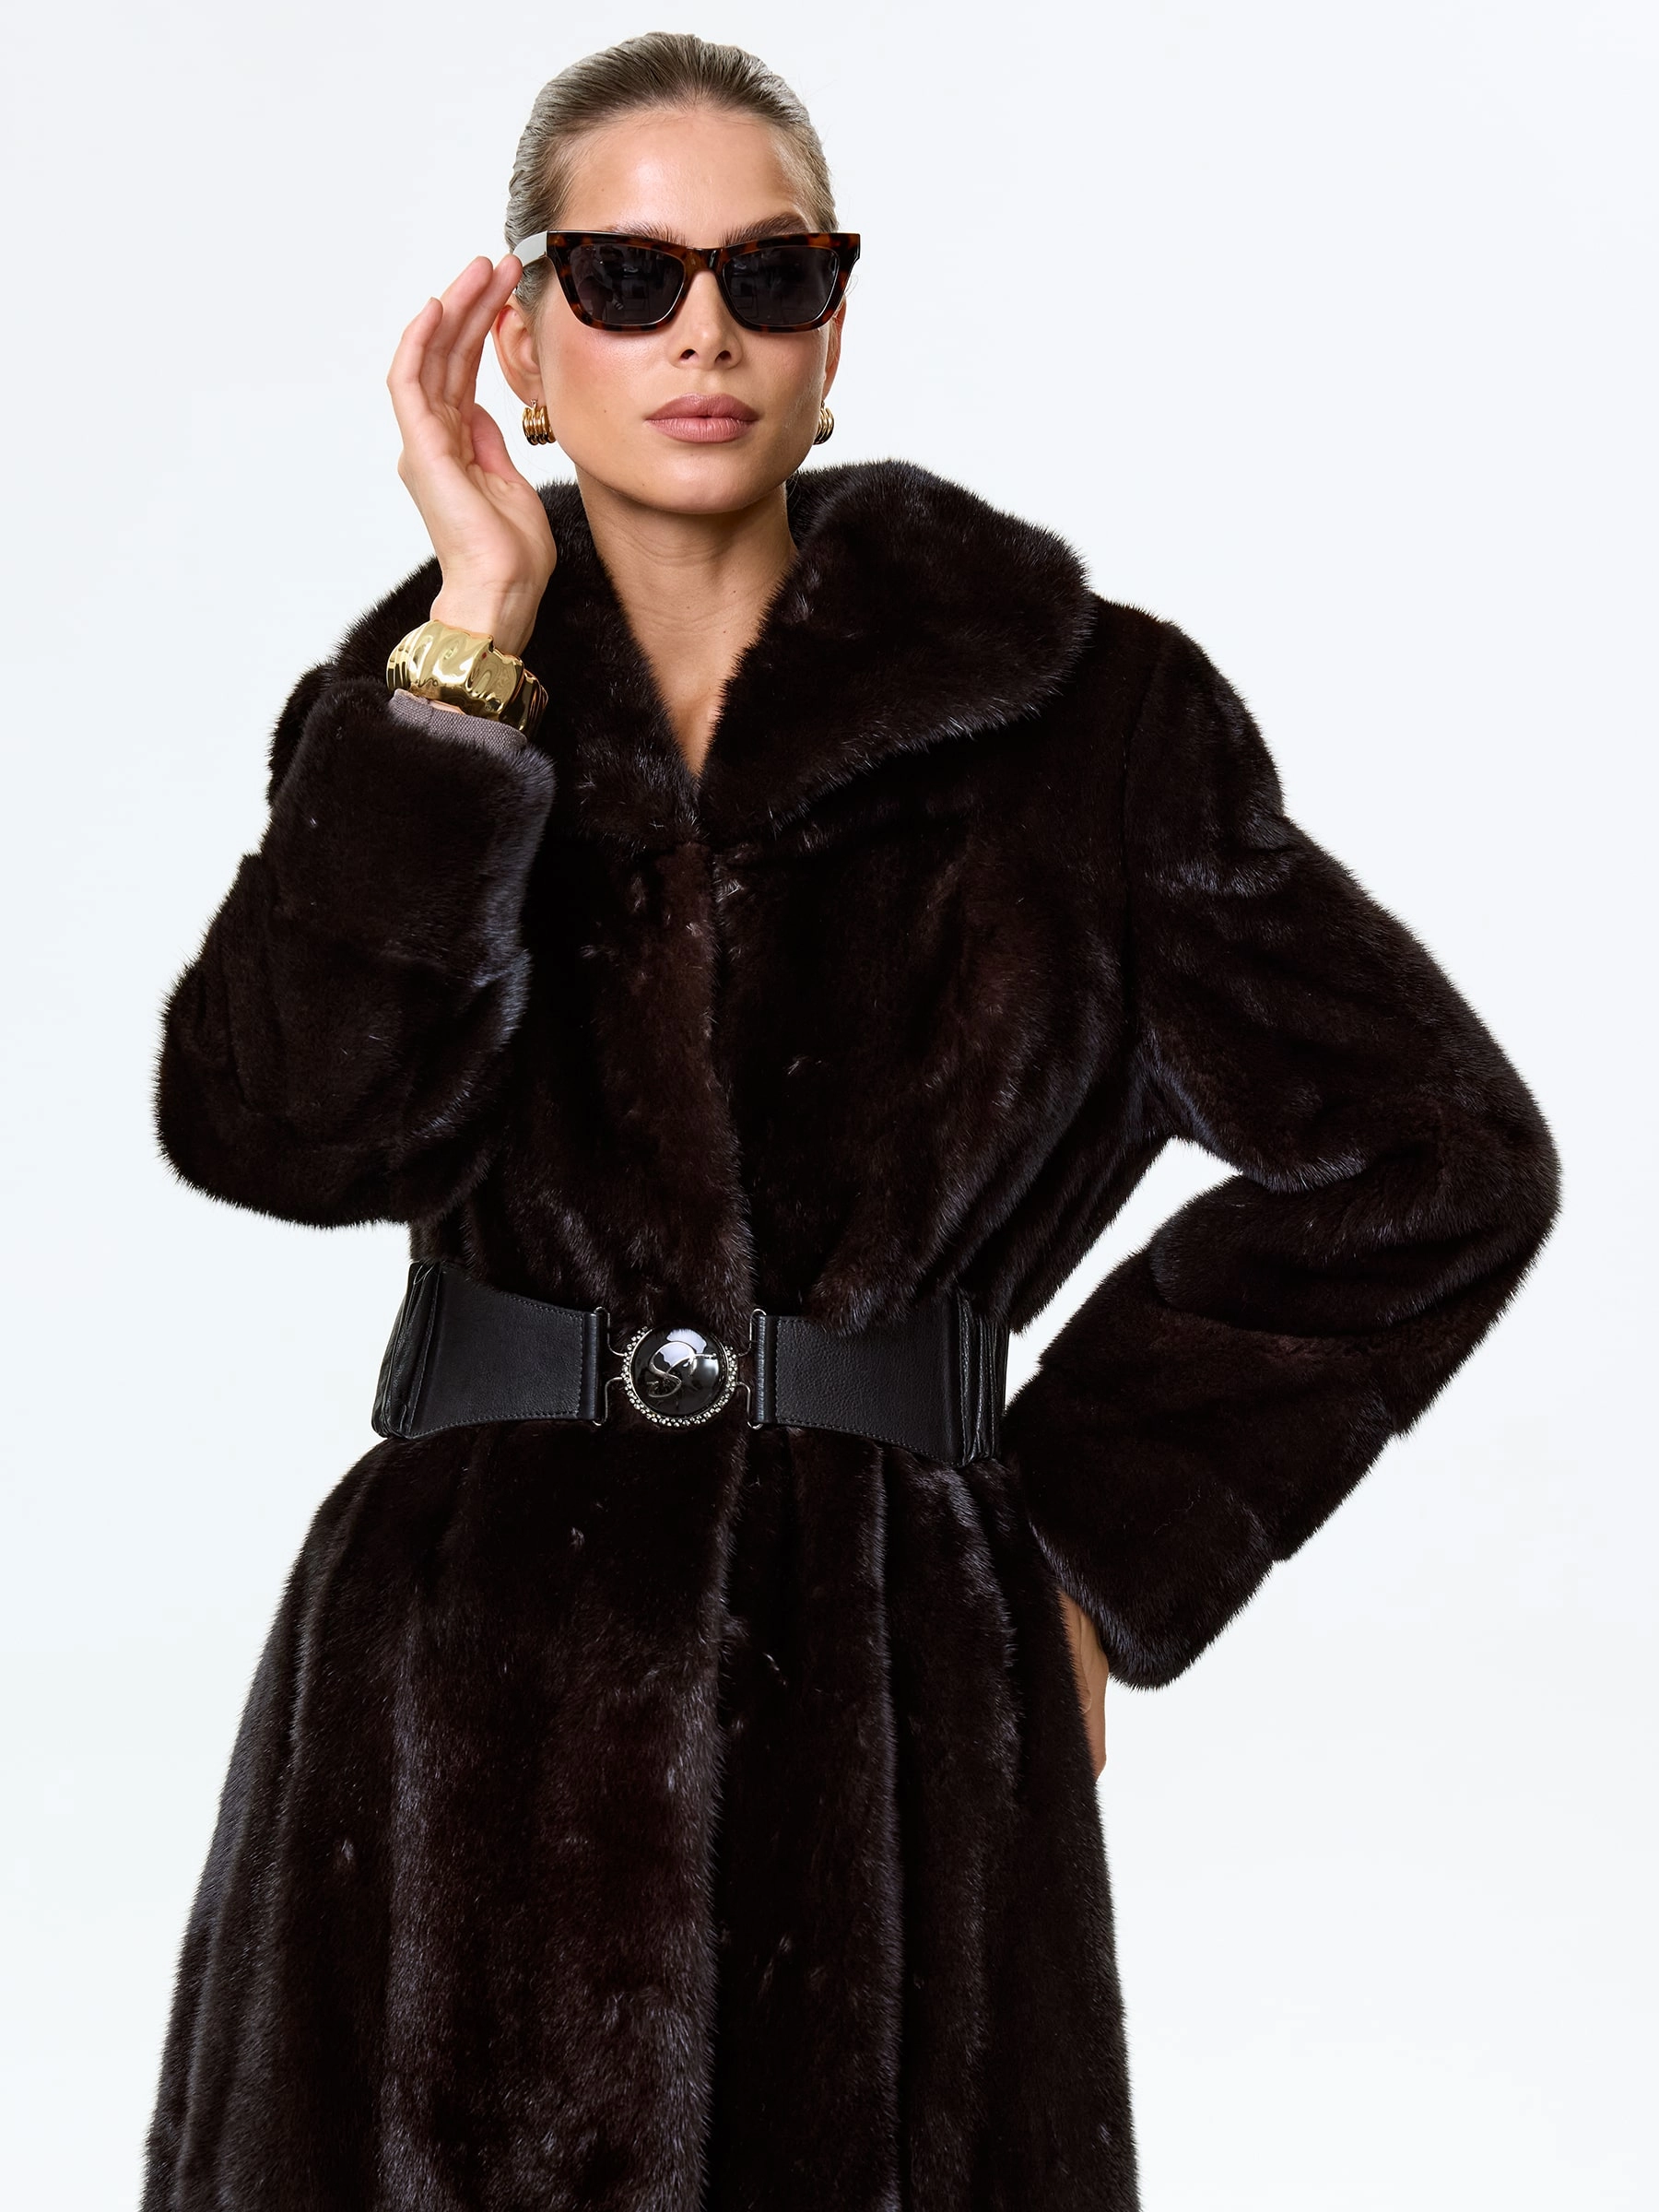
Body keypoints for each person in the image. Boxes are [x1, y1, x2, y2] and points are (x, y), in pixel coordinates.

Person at [141, 31, 1558, 2212]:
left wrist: (1094, 1548)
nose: (701, 329)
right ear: (522, 345)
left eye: (771, 273)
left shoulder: (1087, 722)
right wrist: (473, 645)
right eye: (625, 277)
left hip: (896, 1712)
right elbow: (282, 1133)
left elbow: (1434, 1155)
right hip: (451, 1716)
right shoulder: (422, 705)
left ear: (833, 331)